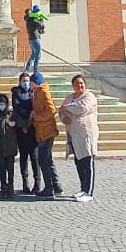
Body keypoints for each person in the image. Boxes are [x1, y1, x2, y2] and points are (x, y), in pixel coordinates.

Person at [60, 74, 99, 202]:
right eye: (76, 83)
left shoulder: (89, 96)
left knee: (88, 162)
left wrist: (68, 108)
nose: (79, 85)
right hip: (74, 135)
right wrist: (63, 116)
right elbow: (61, 110)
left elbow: (82, 108)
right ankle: (83, 188)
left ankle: (89, 192)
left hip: (86, 133)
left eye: (81, 83)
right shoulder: (70, 97)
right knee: (79, 162)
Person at [29, 72, 63, 197]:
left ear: (34, 82)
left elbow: (51, 110)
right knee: (48, 159)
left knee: (42, 159)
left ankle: (49, 188)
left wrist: (36, 116)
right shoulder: (37, 92)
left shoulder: (43, 91)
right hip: (43, 130)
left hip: (46, 130)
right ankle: (56, 185)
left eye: (31, 82)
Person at [10, 71, 39, 195]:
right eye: (24, 80)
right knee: (23, 157)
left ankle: (37, 183)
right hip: (22, 128)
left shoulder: (34, 92)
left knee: (35, 157)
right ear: (20, 82)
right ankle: (25, 183)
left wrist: (31, 120)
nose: (26, 83)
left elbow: (37, 107)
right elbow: (17, 108)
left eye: (28, 81)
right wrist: (25, 122)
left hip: (34, 128)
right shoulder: (16, 93)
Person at [0, 92, 17, 196]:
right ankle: (3, 186)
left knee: (10, 168)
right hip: (0, 147)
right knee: (1, 168)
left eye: (3, 103)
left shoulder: (11, 115)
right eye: (0, 103)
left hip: (10, 147)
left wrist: (15, 123)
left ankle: (11, 186)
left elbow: (19, 123)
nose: (2, 105)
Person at [23, 6, 48, 73]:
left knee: (33, 55)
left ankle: (27, 70)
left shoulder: (28, 19)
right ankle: (36, 71)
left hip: (31, 39)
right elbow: (40, 25)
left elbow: (39, 28)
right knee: (38, 55)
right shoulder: (32, 19)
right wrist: (41, 19)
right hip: (35, 39)